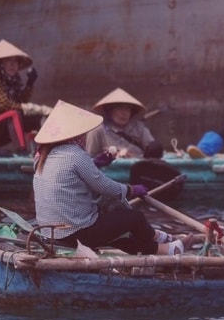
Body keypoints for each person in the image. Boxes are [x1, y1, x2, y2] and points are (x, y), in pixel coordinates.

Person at [32, 100, 183, 256]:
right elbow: (103, 186)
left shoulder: (43, 156)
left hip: (49, 233)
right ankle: (158, 238)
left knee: (117, 233)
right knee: (135, 217)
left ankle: (167, 249)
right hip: (75, 233)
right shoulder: (75, 154)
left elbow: (72, 174)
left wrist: (94, 163)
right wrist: (130, 190)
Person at [85, 87, 163, 159]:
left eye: (127, 109)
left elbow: (153, 149)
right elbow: (89, 159)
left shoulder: (138, 127)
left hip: (138, 168)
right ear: (110, 111)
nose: (124, 113)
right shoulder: (97, 131)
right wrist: (111, 157)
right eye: (120, 108)